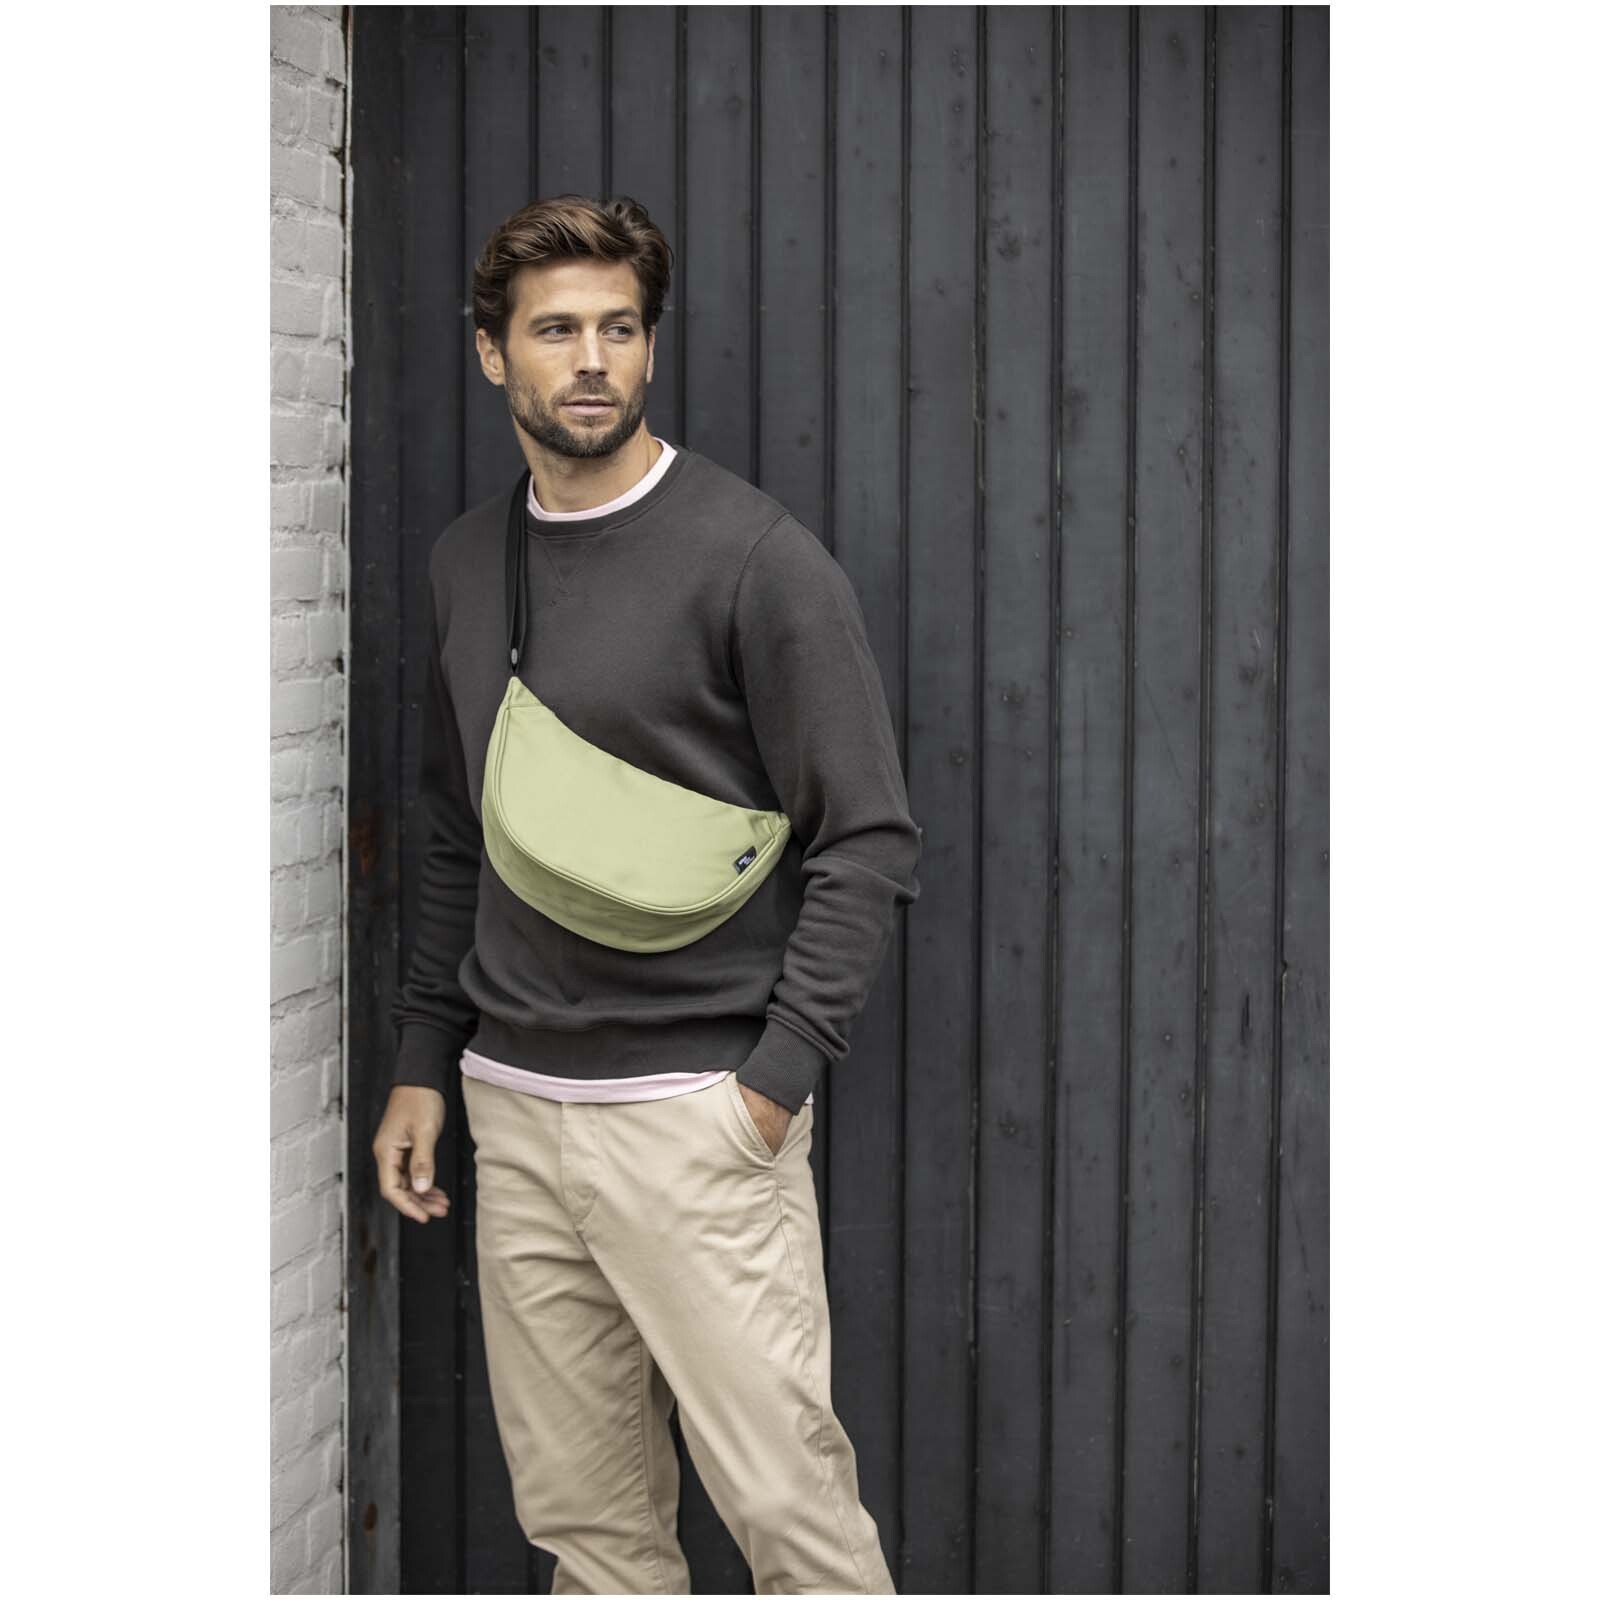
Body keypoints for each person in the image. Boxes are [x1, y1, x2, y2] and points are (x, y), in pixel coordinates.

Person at [371, 193, 920, 1596]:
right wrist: (427, 1061)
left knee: (794, 1521)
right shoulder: (466, 561)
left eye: (619, 329)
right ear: (493, 353)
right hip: (513, 1107)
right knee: (591, 1534)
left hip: (697, 1118)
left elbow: (866, 837)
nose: (593, 361)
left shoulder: (755, 560)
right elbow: (456, 828)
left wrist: (771, 1085)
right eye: (556, 331)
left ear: (651, 347)